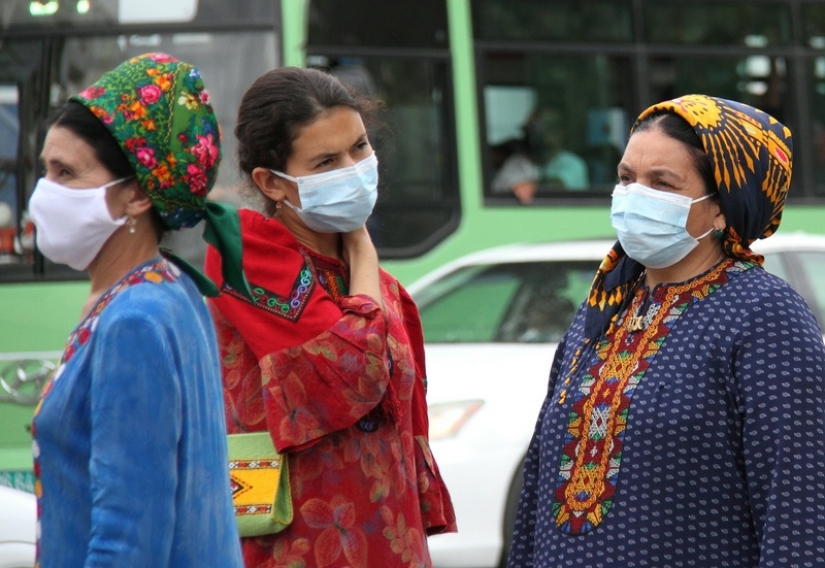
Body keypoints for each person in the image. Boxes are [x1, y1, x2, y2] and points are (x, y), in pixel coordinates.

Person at [507, 94, 825, 567]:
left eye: (662, 183)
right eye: (626, 178)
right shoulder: (602, 310)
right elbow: (535, 494)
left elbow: (800, 508)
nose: (636, 195)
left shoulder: (764, 316)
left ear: (722, 207)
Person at [203, 66, 456, 567]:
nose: (352, 169)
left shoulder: (386, 290)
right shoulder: (245, 252)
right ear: (272, 183)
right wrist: (362, 246)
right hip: (296, 547)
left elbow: (409, 438)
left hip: (389, 546)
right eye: (325, 161)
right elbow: (351, 372)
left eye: (359, 148)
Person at [29, 53, 246, 567]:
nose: (44, 193)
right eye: (45, 170)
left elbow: (128, 540)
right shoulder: (168, 289)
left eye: (66, 172)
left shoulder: (133, 320)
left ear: (135, 196)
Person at [491, 108, 589, 203]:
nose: (533, 137)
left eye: (540, 129)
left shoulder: (572, 163)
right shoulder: (517, 163)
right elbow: (497, 193)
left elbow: (559, 184)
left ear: (559, 133)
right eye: (529, 130)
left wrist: (534, 187)